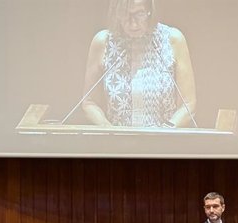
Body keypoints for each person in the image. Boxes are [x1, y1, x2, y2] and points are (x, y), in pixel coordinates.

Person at [82, 0, 197, 128]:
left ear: (150, 12)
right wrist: (109, 130)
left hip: (164, 142)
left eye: (140, 14)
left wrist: (164, 133)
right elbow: (89, 102)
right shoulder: (103, 42)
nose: (133, 23)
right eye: (125, 14)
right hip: (117, 143)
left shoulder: (172, 39)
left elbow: (188, 104)